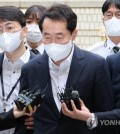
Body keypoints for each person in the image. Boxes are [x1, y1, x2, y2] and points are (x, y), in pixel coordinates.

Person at [14, 4, 114, 134]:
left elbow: (106, 115)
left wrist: (90, 118)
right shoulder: (30, 68)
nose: (53, 42)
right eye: (47, 37)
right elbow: (24, 117)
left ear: (74, 34)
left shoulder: (96, 65)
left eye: (59, 37)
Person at [0, 6, 36, 134]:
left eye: (10, 28)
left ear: (24, 31)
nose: (4, 34)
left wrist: (40, 119)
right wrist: (12, 115)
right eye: (0, 30)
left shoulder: (40, 66)